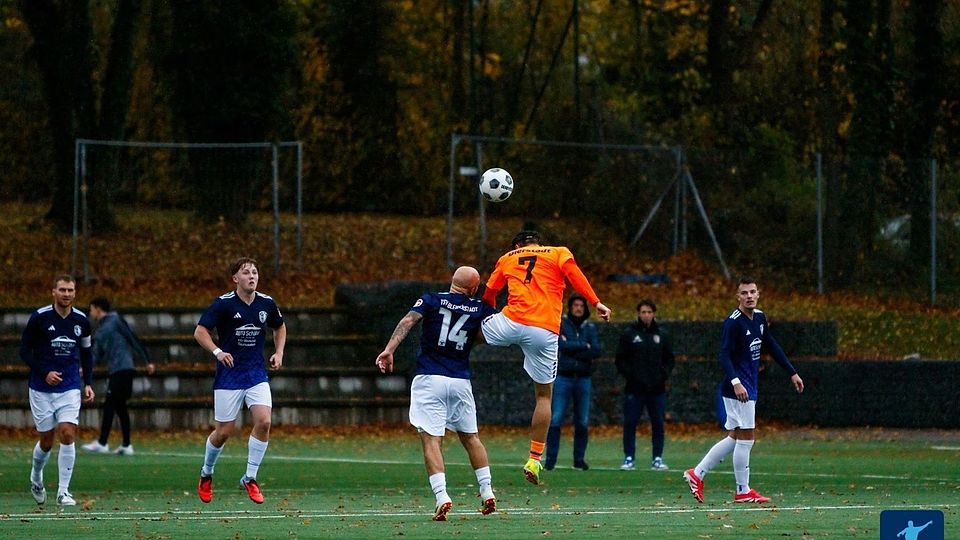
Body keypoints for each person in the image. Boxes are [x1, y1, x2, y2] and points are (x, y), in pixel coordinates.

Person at [481, 230, 611, 485]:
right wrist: (596, 302)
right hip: (544, 330)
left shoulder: (508, 257)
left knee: (470, 333)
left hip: (511, 321)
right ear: (538, 242)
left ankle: (447, 360)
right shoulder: (558, 252)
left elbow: (489, 293)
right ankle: (534, 459)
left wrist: (486, 318)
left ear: (517, 245)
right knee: (543, 395)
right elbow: (575, 276)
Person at [375, 266, 498, 522]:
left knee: (431, 439)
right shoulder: (478, 308)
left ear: (453, 282)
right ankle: (487, 491)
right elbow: (485, 336)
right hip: (460, 380)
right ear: (473, 289)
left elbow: (408, 321)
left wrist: (389, 350)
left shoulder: (431, 299)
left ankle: (442, 495)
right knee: (472, 438)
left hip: (430, 377)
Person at [683, 277, 804, 504]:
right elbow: (724, 355)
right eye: (744, 293)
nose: (749, 296)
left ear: (758, 294)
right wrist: (737, 382)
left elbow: (772, 345)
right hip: (739, 386)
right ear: (737, 296)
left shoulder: (759, 317)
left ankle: (697, 473)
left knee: (736, 436)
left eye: (753, 292)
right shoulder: (733, 322)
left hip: (749, 384)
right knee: (746, 438)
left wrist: (792, 372)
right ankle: (742, 490)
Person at [193, 257, 286, 505]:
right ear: (236, 278)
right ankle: (206, 473)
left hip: (256, 374)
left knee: (264, 421)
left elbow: (280, 326)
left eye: (255, 272)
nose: (252, 276)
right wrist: (218, 352)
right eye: (246, 273)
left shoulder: (266, 303)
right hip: (229, 375)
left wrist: (278, 352)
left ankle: (250, 477)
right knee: (224, 431)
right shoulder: (223, 304)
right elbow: (200, 332)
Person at [20, 275, 94, 506]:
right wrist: (44, 373)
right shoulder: (40, 318)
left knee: (67, 433)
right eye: (62, 289)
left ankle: (63, 491)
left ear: (75, 293)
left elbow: (87, 353)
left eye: (70, 290)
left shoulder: (82, 320)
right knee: (46, 441)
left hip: (69, 385)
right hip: (41, 388)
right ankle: (36, 475)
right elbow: (24, 351)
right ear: (53, 292)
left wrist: (88, 382)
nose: (66, 294)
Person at [82, 297, 156, 456]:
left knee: (110, 403)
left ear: (97, 309)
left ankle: (102, 442)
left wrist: (147, 360)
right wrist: (86, 368)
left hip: (123, 369)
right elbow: (97, 353)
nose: (90, 312)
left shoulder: (115, 321)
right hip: (115, 370)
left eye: (91, 309)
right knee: (120, 406)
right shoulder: (101, 329)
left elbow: (132, 338)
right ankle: (126, 445)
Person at [616, 299, 675, 471]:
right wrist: (632, 377)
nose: (646, 315)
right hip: (634, 389)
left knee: (658, 423)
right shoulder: (629, 334)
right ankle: (629, 458)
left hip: (657, 390)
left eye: (649, 312)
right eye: (643, 312)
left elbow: (669, 359)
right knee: (630, 423)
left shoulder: (662, 335)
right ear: (638, 314)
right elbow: (620, 360)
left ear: (654, 314)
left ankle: (657, 458)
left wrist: (663, 375)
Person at [544, 294, 600, 471]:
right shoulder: (561, 323)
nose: (578, 308)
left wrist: (574, 347)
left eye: (581, 306)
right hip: (564, 376)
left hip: (583, 378)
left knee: (582, 421)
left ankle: (579, 459)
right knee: (556, 419)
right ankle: (550, 460)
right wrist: (584, 346)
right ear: (570, 307)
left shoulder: (589, 327)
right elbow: (560, 345)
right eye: (575, 305)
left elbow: (596, 350)